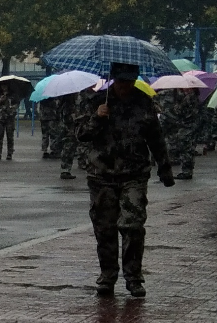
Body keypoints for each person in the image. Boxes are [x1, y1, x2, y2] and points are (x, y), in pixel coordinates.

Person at [74, 61, 174, 297]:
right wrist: (97, 117)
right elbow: (81, 135)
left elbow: (156, 138)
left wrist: (165, 168)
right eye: (121, 82)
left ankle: (133, 277)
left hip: (134, 174)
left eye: (129, 82)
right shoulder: (95, 101)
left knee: (133, 226)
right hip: (101, 175)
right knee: (105, 228)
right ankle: (107, 276)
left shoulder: (143, 102)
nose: (125, 87)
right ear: (113, 80)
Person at [156, 87, 200, 180]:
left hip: (186, 127)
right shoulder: (168, 94)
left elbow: (185, 112)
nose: (187, 90)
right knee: (175, 147)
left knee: (186, 149)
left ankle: (187, 171)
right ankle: (182, 169)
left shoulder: (190, 97)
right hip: (177, 125)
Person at [55, 94, 81, 180]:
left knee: (69, 148)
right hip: (69, 129)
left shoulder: (67, 102)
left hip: (70, 128)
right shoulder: (68, 103)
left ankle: (66, 169)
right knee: (68, 148)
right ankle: (65, 170)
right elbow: (68, 117)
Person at [0, 80, 18, 161]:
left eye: (5, 85)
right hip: (0, 117)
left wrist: (12, 107)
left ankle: (10, 153)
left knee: (10, 136)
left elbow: (17, 104)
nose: (3, 87)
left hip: (10, 117)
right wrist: (0, 101)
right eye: (2, 85)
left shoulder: (13, 94)